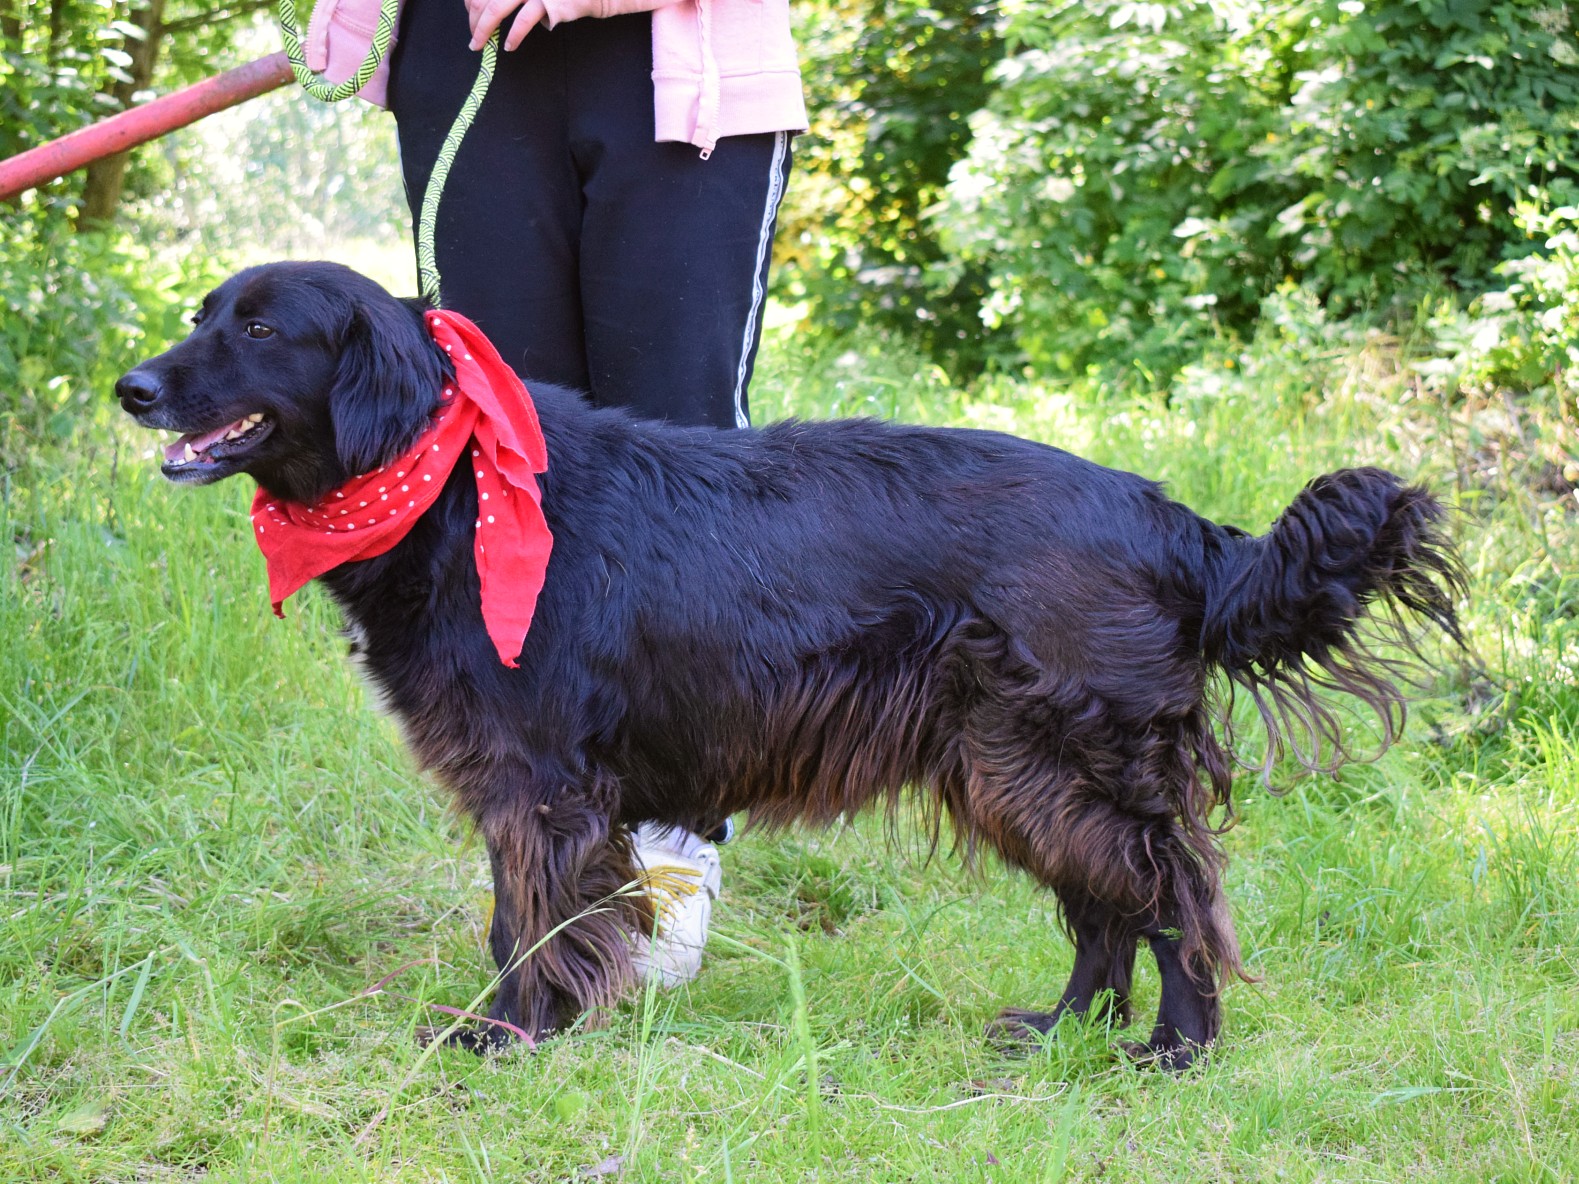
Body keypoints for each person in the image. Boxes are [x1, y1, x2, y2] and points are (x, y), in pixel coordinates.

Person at [303, 0, 808, 983]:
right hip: (466, 54)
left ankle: (677, 835)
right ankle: (549, 843)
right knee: (507, 457)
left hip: (674, 55)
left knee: (681, 462)